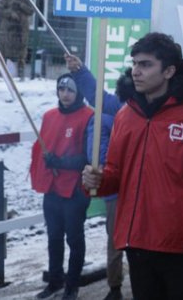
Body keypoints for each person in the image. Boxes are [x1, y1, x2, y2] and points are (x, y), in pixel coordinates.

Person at [82, 32, 183, 300]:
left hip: (181, 246)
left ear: (168, 70)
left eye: (145, 65)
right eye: (134, 64)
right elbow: (116, 175)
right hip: (136, 243)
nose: (136, 71)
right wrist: (95, 180)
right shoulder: (125, 115)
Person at [66, 54, 134, 300]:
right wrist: (80, 71)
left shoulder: (145, 110)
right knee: (119, 239)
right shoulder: (116, 111)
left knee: (129, 241)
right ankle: (116, 287)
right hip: (119, 189)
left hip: (135, 189)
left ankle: (126, 286)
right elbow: (97, 95)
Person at [30, 74, 94, 300]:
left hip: (75, 189)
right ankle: (55, 279)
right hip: (53, 187)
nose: (65, 94)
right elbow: (41, 148)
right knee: (54, 236)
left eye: (70, 90)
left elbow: (89, 157)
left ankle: (72, 286)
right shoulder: (49, 116)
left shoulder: (89, 117)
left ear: (79, 93)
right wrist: (47, 165)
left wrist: (62, 162)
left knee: (74, 238)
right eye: (61, 89)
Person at [0, 0, 34, 78]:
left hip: (21, 30)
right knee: (4, 50)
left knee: (21, 51)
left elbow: (31, 10)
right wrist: (10, 13)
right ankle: (0, 72)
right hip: (8, 30)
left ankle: (21, 72)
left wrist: (21, 5)